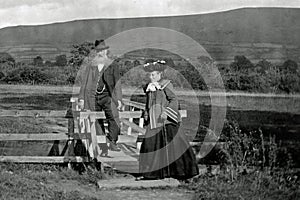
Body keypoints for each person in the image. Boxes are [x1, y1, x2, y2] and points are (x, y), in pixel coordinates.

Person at [138, 59, 199, 180]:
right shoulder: (148, 87)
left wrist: (167, 112)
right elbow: (148, 103)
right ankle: (151, 174)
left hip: (166, 121)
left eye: (153, 74)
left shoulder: (166, 84)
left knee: (176, 146)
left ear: (160, 74)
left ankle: (183, 173)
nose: (151, 77)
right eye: (149, 75)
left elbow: (174, 100)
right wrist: (146, 114)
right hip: (154, 122)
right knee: (150, 146)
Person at [78, 39, 122, 156]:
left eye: (102, 50)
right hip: (93, 96)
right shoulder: (91, 65)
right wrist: (81, 98)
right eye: (98, 50)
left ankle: (112, 141)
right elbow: (84, 83)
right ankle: (103, 148)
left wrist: (119, 100)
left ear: (106, 50)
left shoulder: (113, 65)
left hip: (108, 96)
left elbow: (117, 83)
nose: (100, 53)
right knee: (97, 121)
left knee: (114, 118)